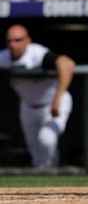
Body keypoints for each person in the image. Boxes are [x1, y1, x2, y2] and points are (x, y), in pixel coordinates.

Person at [0, 25, 75, 168]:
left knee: (47, 139)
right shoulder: (4, 57)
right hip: (28, 106)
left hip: (54, 102)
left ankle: (53, 176)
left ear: (27, 40)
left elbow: (67, 64)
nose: (12, 44)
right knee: (36, 156)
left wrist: (57, 98)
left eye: (17, 40)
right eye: (9, 41)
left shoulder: (37, 53)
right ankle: (45, 184)